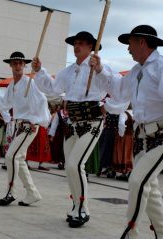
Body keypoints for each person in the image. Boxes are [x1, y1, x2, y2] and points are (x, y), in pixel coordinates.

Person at [32, 31, 113, 227]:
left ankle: (83, 209)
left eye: (82, 43)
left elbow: (113, 85)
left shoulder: (99, 68)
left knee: (74, 165)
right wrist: (40, 70)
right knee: (71, 169)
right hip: (73, 125)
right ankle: (76, 205)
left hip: (92, 122)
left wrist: (100, 69)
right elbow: (53, 88)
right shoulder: (68, 72)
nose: (77, 46)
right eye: (75, 43)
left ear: (91, 47)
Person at [91, 25, 163, 239]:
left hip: (161, 136)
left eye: (130, 43)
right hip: (142, 137)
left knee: (137, 181)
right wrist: (100, 70)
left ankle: (130, 232)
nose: (128, 49)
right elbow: (120, 91)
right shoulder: (136, 71)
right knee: (150, 190)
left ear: (142, 42)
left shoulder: (161, 66)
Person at [0, 51, 50, 206]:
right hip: (19, 125)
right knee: (18, 158)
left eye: (20, 63)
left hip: (29, 125)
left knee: (11, 157)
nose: (18, 65)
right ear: (10, 65)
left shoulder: (30, 83)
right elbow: (5, 103)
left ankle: (10, 192)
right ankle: (32, 192)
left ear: (24, 65)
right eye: (15, 63)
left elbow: (41, 101)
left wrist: (36, 120)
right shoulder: (12, 85)